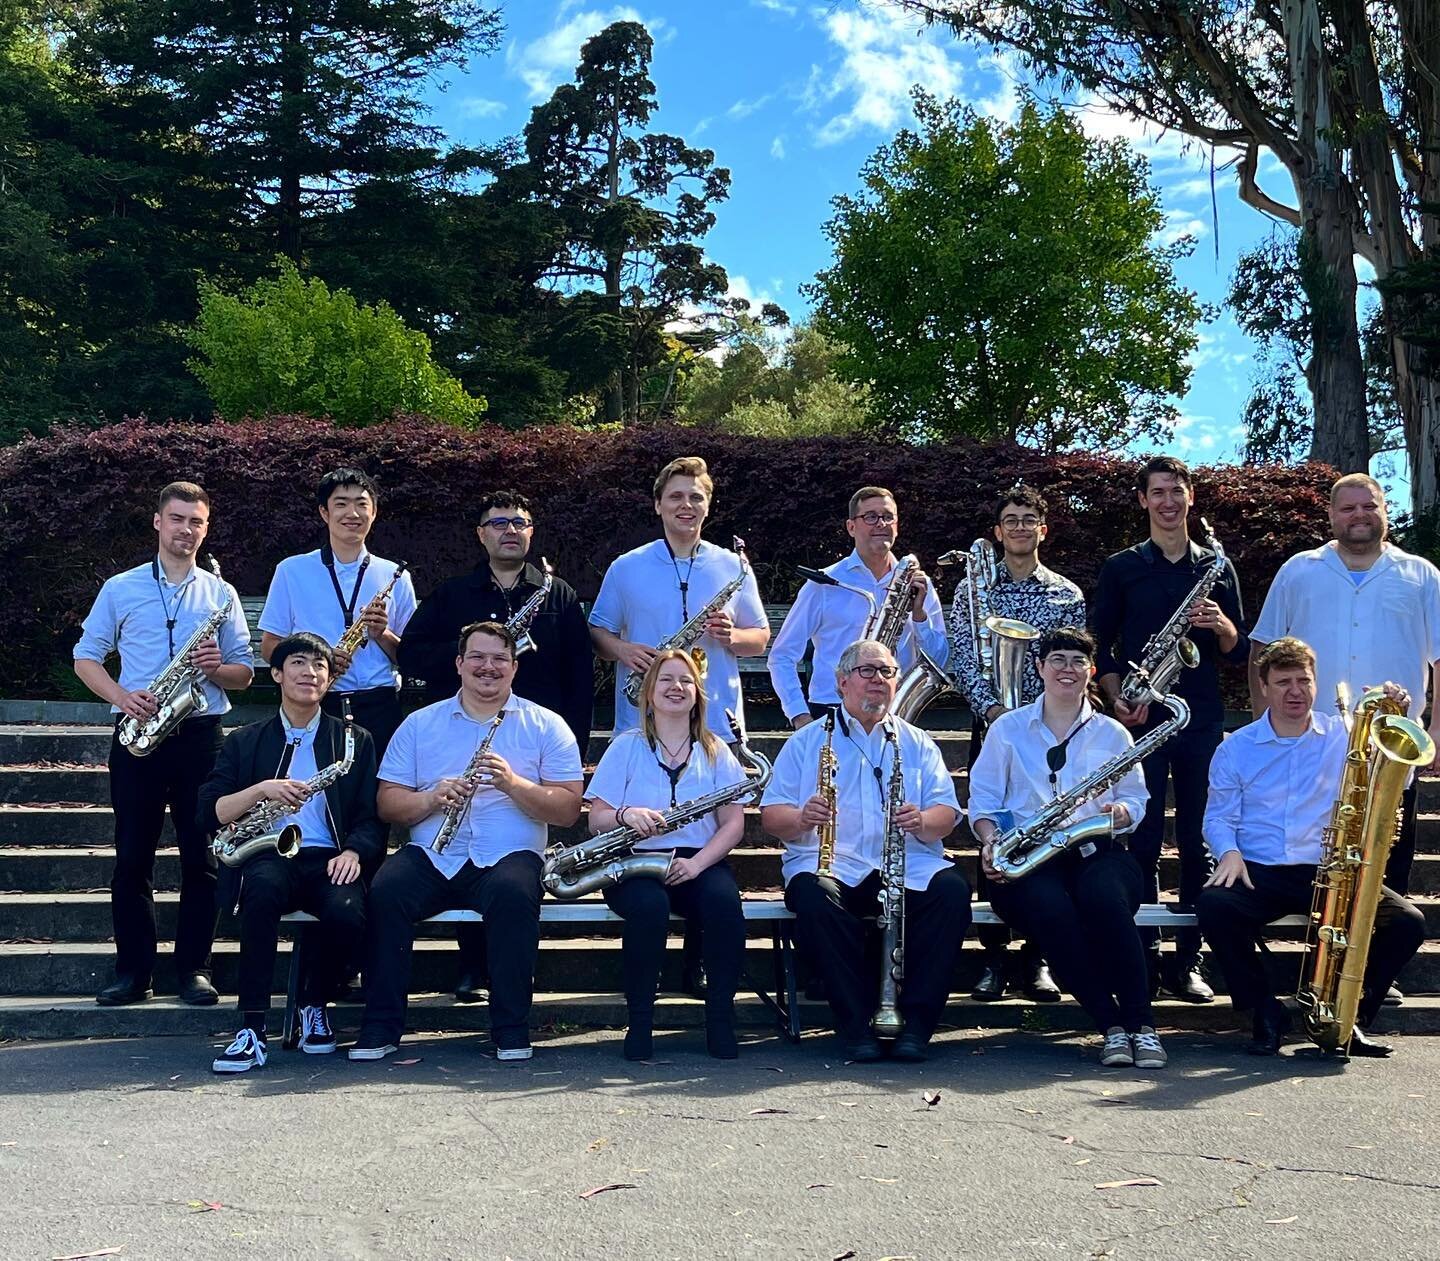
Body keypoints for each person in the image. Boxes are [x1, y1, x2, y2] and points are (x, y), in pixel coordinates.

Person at [348, 621, 583, 1062]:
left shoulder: (547, 726)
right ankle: (380, 1026)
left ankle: (510, 1029)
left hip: (509, 855)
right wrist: (431, 797)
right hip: (433, 852)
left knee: (515, 895)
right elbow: (386, 803)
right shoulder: (420, 725)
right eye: (477, 657)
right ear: (459, 664)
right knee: (385, 892)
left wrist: (515, 784)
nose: (487, 667)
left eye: (499, 659)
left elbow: (569, 809)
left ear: (514, 668)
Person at [397, 489, 593, 1004]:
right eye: (498, 522)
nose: (510, 530)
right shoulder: (453, 593)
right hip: (465, 729)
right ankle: (471, 967)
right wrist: (470, 654)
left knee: (510, 855)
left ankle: (510, 968)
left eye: (520, 522)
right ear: (481, 533)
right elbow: (413, 655)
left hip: (537, 741)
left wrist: (576, 746)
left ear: (531, 532)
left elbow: (579, 673)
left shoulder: (559, 594)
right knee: (463, 835)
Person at [1199, 637, 1427, 1057]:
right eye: (1283, 682)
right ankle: (1264, 1013)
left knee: (1409, 922)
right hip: (1259, 869)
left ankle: (1348, 1018)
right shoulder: (1236, 748)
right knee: (1215, 907)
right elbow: (1219, 816)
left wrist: (1398, 709)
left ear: (1315, 684)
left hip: (1331, 867)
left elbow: (1400, 779)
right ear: (1264, 686)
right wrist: (1228, 851)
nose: (1295, 691)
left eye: (1303, 681)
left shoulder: (1344, 737)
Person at [74, 481, 254, 1008]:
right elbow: (86, 656)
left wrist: (218, 667)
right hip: (138, 732)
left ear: (206, 527)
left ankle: (194, 970)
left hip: (200, 735)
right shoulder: (121, 587)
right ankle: (133, 972)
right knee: (132, 858)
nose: (186, 530)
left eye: (196, 522)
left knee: (203, 858)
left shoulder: (220, 593)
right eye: (177, 519)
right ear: (158, 521)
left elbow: (245, 674)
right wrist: (120, 695)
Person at [1247, 473, 1440, 950]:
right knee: (1320, 847)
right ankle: (1326, 959)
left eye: (1368, 506)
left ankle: (1371, 962)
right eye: (1348, 508)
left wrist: (1438, 728)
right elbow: (1263, 648)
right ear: (1331, 515)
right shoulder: (1298, 570)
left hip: (1389, 744)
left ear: (1384, 511)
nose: (1359, 516)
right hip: (1311, 739)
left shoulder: (1422, 574)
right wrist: (1260, 727)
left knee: (1386, 854)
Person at [761, 639, 971, 1063]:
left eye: (887, 672)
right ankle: (856, 1026)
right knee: (816, 900)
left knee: (951, 893)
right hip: (831, 863)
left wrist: (925, 821)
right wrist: (802, 817)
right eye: (868, 671)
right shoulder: (806, 742)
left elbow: (947, 812)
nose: (879, 680)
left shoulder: (917, 742)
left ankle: (915, 1026)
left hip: (907, 862)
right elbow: (771, 816)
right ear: (842, 682)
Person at [968, 627, 1164, 1069]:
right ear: (1039, 668)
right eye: (1057, 659)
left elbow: (1138, 799)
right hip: (1030, 855)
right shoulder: (1008, 729)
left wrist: (1121, 812)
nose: (1067, 669)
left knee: (1106, 900)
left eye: (1077, 661)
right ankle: (1112, 1027)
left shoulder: (1113, 733)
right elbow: (982, 800)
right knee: (1052, 912)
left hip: (1097, 848)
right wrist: (989, 840)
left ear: (1091, 671)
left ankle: (1143, 1026)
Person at [1091, 455, 1248, 1003]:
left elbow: (1239, 652)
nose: (1167, 501)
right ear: (1142, 500)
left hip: (1200, 719)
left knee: (1201, 838)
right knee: (1141, 838)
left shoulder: (1216, 567)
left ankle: (1190, 961)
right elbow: (1099, 646)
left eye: (1176, 491)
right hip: (1141, 716)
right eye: (1157, 492)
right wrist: (1115, 699)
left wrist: (1224, 627)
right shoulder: (1122, 567)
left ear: (1189, 497)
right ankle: (1145, 953)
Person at [197, 633, 381, 1073]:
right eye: (298, 663)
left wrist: (355, 852)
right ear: (277, 674)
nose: (310, 673)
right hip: (267, 854)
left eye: (320, 666)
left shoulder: (353, 740)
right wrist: (261, 789)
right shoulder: (246, 740)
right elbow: (209, 810)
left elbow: (371, 817)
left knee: (348, 909)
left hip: (328, 856)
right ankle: (252, 1028)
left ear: (330, 679)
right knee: (260, 894)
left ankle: (314, 1004)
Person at [949, 483, 1085, 1004]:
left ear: (1043, 530)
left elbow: (1073, 661)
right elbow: (964, 651)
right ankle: (993, 958)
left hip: (1051, 729)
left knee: (1047, 829)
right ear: (998, 531)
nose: (1022, 527)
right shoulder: (975, 589)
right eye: (1012, 519)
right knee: (995, 834)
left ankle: (1038, 960)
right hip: (995, 724)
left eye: (1030, 519)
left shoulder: (1066, 594)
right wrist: (992, 710)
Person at [583, 650, 750, 1061]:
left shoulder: (716, 750)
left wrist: (697, 864)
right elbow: (594, 820)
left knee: (723, 904)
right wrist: (626, 814)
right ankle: (640, 1023)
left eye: (685, 681)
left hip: (698, 858)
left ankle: (720, 1021)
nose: (676, 688)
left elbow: (733, 824)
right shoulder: (626, 746)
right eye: (666, 680)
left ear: (697, 693)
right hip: (632, 859)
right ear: (648, 693)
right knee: (650, 908)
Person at [589, 455, 769, 741]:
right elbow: (596, 633)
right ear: (658, 505)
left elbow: (760, 638)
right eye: (675, 496)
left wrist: (731, 636)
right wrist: (623, 650)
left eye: (696, 497)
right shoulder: (625, 567)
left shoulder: (734, 566)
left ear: (707, 507)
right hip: (641, 726)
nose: (686, 505)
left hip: (717, 727)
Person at [258, 467, 417, 760]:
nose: (352, 513)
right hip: (315, 704)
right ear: (324, 512)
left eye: (361, 503)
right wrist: (320, 658)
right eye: (341, 504)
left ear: (374, 511)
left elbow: (412, 658)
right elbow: (269, 648)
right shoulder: (291, 570)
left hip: (380, 705)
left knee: (377, 801)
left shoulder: (394, 575)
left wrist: (381, 634)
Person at [767, 485, 946, 725]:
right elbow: (781, 656)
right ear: (851, 527)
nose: (880, 524)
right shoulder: (825, 583)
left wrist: (919, 617)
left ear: (897, 525)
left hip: (896, 710)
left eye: (887, 517)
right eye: (870, 517)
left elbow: (939, 660)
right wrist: (799, 715)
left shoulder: (918, 583)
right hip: (831, 709)